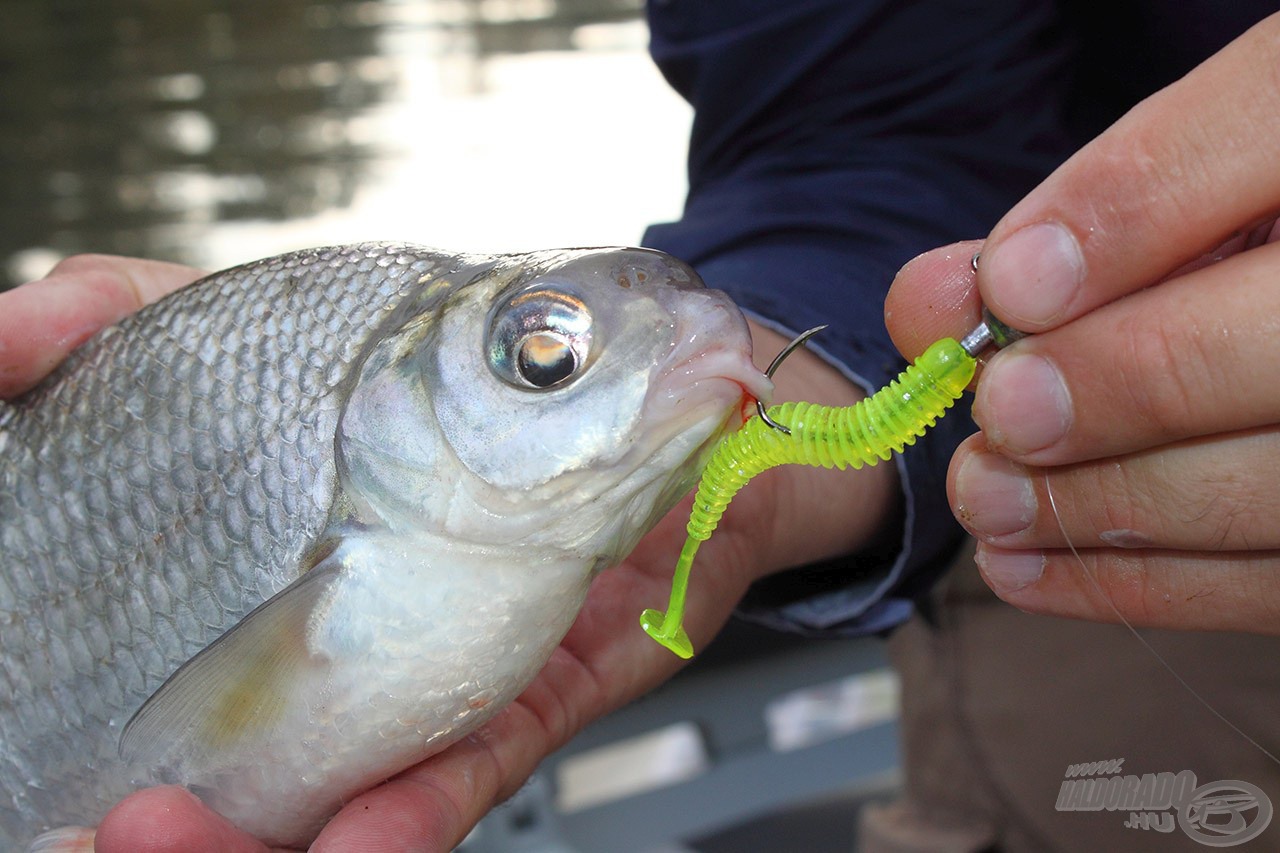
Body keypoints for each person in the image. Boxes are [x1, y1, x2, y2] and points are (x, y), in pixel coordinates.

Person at [5, 1, 1280, 850]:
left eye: (539, 350)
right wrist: (779, 455)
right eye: (544, 355)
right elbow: (863, 136)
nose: (571, 355)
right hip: (1121, 537)